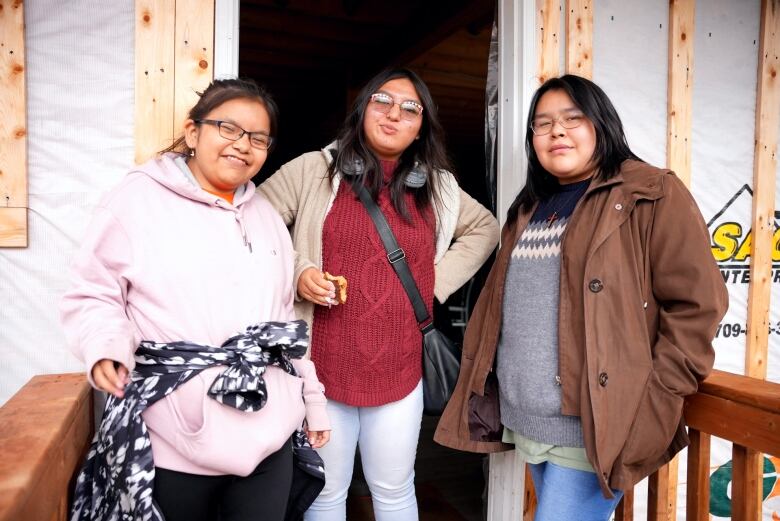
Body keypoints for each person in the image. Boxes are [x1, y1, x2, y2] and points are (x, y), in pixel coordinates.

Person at [434, 74, 728, 520]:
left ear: (601, 125)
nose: (557, 131)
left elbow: (697, 305)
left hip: (595, 425)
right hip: (526, 420)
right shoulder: (530, 207)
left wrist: (659, 395)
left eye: (573, 118)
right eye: (543, 123)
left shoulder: (651, 193)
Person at [61, 78, 330, 521]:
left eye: (258, 138)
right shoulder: (137, 199)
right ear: (193, 132)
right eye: (228, 128)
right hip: (175, 435)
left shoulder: (266, 217)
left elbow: (283, 326)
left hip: (268, 435)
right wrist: (105, 345)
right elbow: (94, 288)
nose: (243, 145)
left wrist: (312, 402)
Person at [258, 67, 499, 520]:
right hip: (321, 372)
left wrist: (433, 286)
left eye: (411, 108)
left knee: (393, 490)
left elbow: (484, 228)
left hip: (400, 371)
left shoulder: (438, 187)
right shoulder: (314, 170)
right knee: (326, 493)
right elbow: (252, 225)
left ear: (422, 125)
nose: (395, 115)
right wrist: (298, 271)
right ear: (362, 107)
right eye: (383, 101)